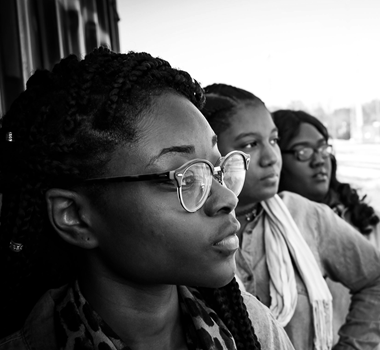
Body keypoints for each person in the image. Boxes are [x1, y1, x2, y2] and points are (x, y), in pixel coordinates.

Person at [0, 48, 293, 350]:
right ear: (74, 215)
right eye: (186, 178)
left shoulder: (252, 326)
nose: (227, 198)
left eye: (216, 169)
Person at [201, 83, 380, 350]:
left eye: (273, 140)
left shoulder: (305, 216)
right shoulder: (189, 230)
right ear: (211, 153)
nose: (271, 157)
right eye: (251, 144)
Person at [272, 109, 380, 350]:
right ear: (276, 159)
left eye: (323, 148)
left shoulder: (365, 223)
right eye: (303, 152)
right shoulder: (262, 232)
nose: (319, 160)